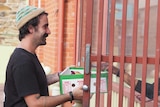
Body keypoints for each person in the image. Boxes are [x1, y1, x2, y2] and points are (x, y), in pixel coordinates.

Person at [4, 5, 83, 107]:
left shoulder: (27, 55)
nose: (49, 31)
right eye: (45, 26)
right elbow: (35, 103)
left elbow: (32, 82)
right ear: (31, 28)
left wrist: (60, 76)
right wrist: (71, 95)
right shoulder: (22, 61)